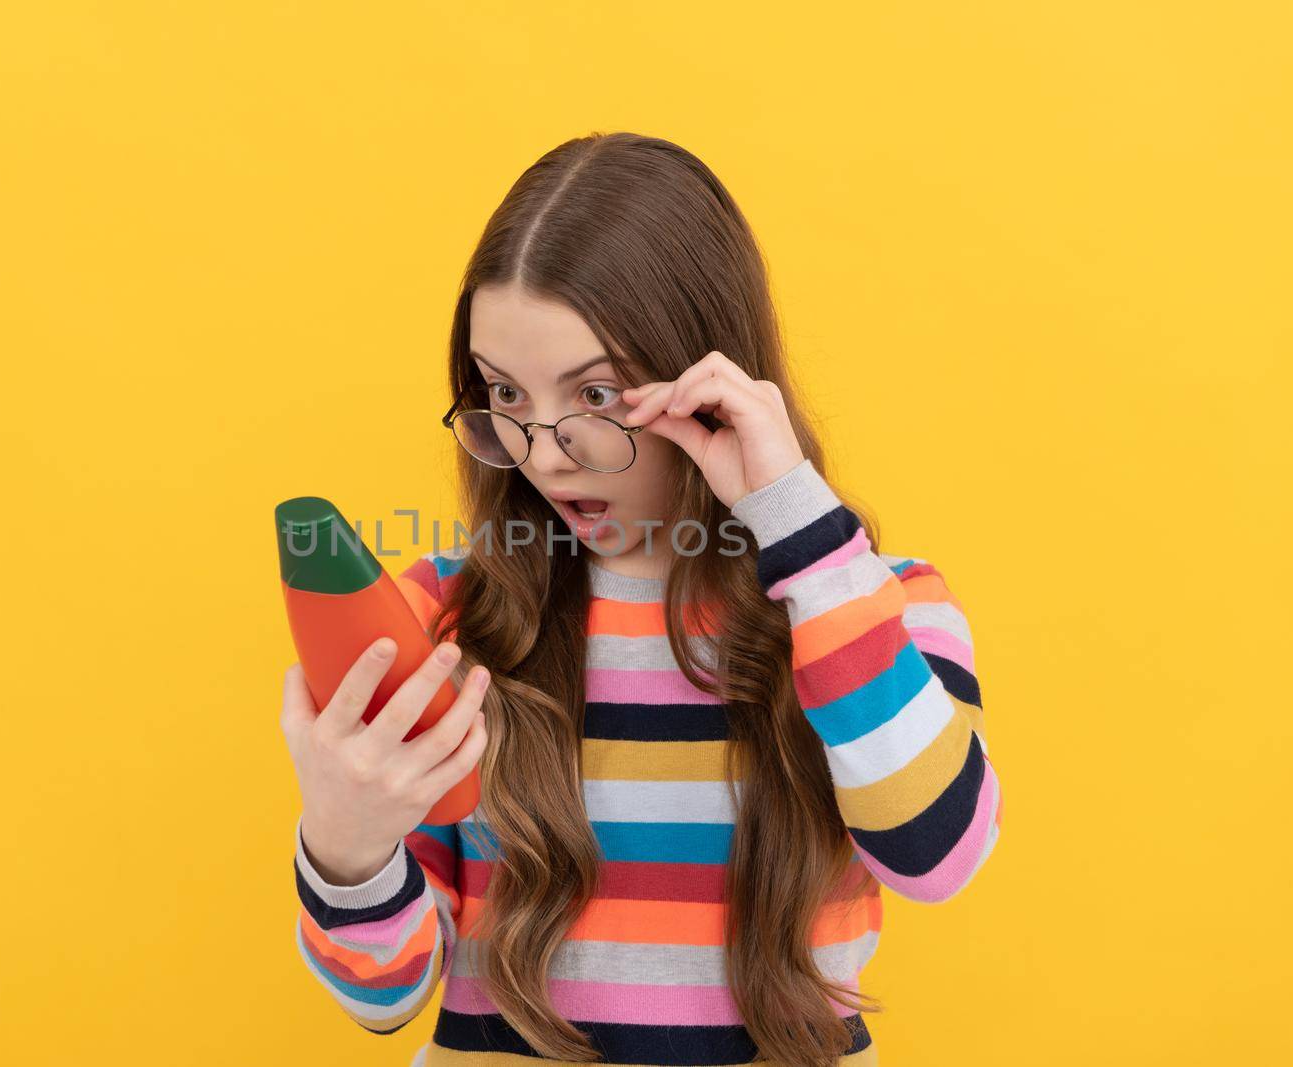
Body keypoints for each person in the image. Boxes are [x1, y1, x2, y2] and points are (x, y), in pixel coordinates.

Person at [280, 131, 1001, 1066]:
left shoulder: (875, 603)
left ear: (710, 377)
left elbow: (937, 857)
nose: (542, 453)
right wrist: (345, 841)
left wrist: (802, 533)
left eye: (596, 394)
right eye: (503, 391)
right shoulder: (446, 613)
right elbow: (385, 997)